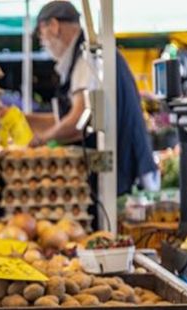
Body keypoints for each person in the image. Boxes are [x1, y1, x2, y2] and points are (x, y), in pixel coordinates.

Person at [27, 1, 158, 196]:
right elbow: (66, 120)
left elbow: (77, 121)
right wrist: (26, 119)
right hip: (115, 166)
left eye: (41, 33)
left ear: (53, 26)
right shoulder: (87, 55)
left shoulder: (87, 57)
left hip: (117, 170)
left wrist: (40, 140)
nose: (42, 41)